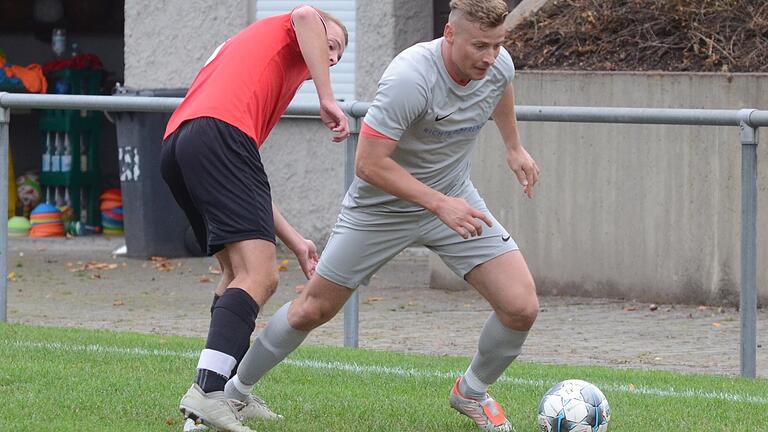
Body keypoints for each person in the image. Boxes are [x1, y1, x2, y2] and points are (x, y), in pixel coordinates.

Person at [225, 0, 540, 430]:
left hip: (453, 199)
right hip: (381, 209)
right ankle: (234, 393)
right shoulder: (410, 76)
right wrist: (438, 203)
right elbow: (368, 164)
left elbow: (500, 84)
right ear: (449, 35)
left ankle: (471, 391)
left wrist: (513, 146)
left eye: (497, 45)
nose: (490, 56)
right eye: (479, 46)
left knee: (521, 306)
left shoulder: (497, 64)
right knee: (311, 310)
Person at [160, 5, 349, 432]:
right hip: (216, 136)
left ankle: (218, 397)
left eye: (337, 54)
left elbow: (247, 183)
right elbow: (304, 15)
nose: (331, 57)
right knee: (260, 277)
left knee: (234, 274)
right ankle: (208, 394)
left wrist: (297, 239)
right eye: (331, 45)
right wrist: (327, 96)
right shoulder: (296, 24)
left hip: (180, 142)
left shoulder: (257, 77)